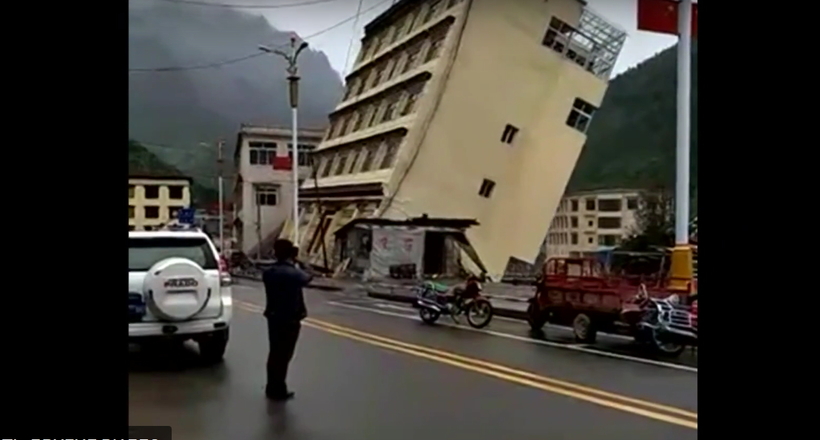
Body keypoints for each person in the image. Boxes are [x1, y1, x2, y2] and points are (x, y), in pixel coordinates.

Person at [262, 239, 313, 401]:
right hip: (290, 319)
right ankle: (279, 389)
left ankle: (272, 386)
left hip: (274, 317)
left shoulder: (269, 272)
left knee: (274, 353)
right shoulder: (291, 272)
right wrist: (299, 262)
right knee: (284, 355)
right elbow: (307, 277)